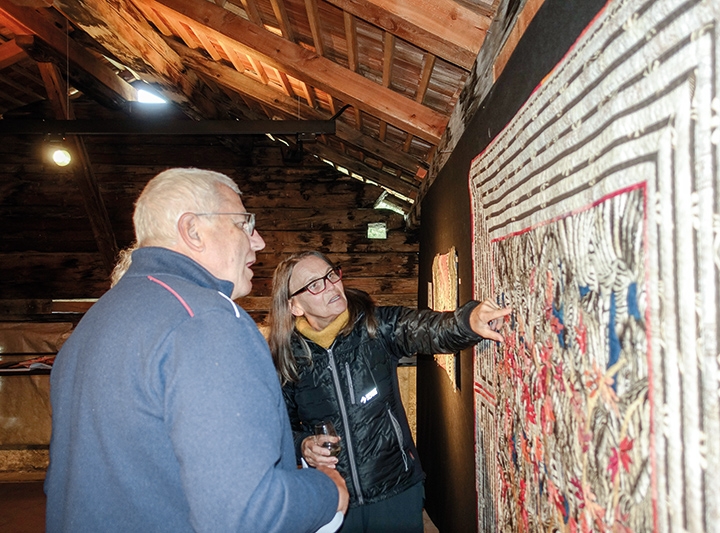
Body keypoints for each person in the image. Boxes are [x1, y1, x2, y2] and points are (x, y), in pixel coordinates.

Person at [45, 168, 348, 533]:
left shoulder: (93, 323)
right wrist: (327, 491)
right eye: (243, 224)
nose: (259, 242)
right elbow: (247, 512)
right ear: (192, 230)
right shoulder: (207, 319)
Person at [269, 251, 511, 532]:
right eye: (315, 284)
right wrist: (302, 444)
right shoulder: (286, 358)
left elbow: (430, 328)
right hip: (332, 495)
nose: (332, 286)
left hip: (395, 490)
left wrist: (469, 319)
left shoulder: (375, 326)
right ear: (295, 306)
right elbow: (278, 425)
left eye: (331, 275)